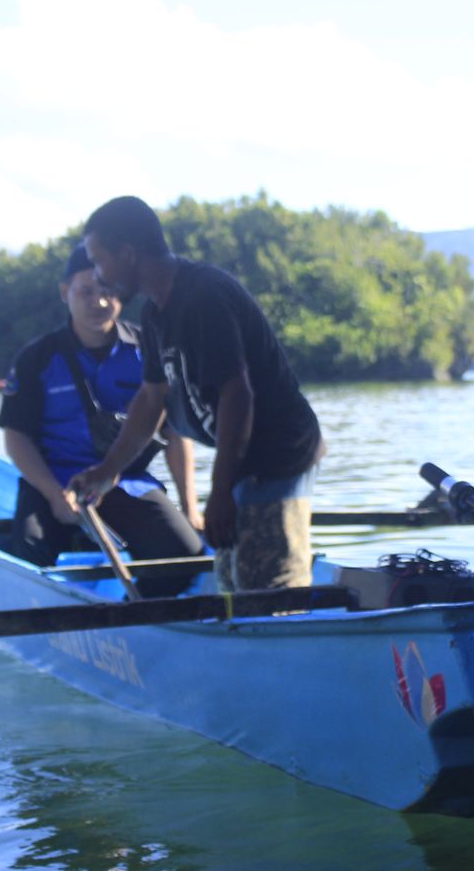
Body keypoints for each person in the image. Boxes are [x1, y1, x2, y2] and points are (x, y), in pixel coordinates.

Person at [69, 196, 324, 592]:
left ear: (127, 253)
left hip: (279, 455)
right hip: (242, 463)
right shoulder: (156, 313)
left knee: (269, 588)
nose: (99, 275)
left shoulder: (203, 298)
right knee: (231, 581)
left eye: (99, 261)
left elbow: (237, 398)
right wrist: (107, 472)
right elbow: (151, 399)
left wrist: (219, 493)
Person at [0, 243, 204, 595]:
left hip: (127, 481)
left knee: (185, 556)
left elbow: (175, 433)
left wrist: (190, 509)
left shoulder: (147, 347)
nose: (99, 302)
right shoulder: (38, 358)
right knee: (31, 555)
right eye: (86, 291)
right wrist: (53, 495)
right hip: (55, 483)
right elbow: (16, 438)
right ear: (65, 293)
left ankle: (137, 620)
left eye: (108, 291)